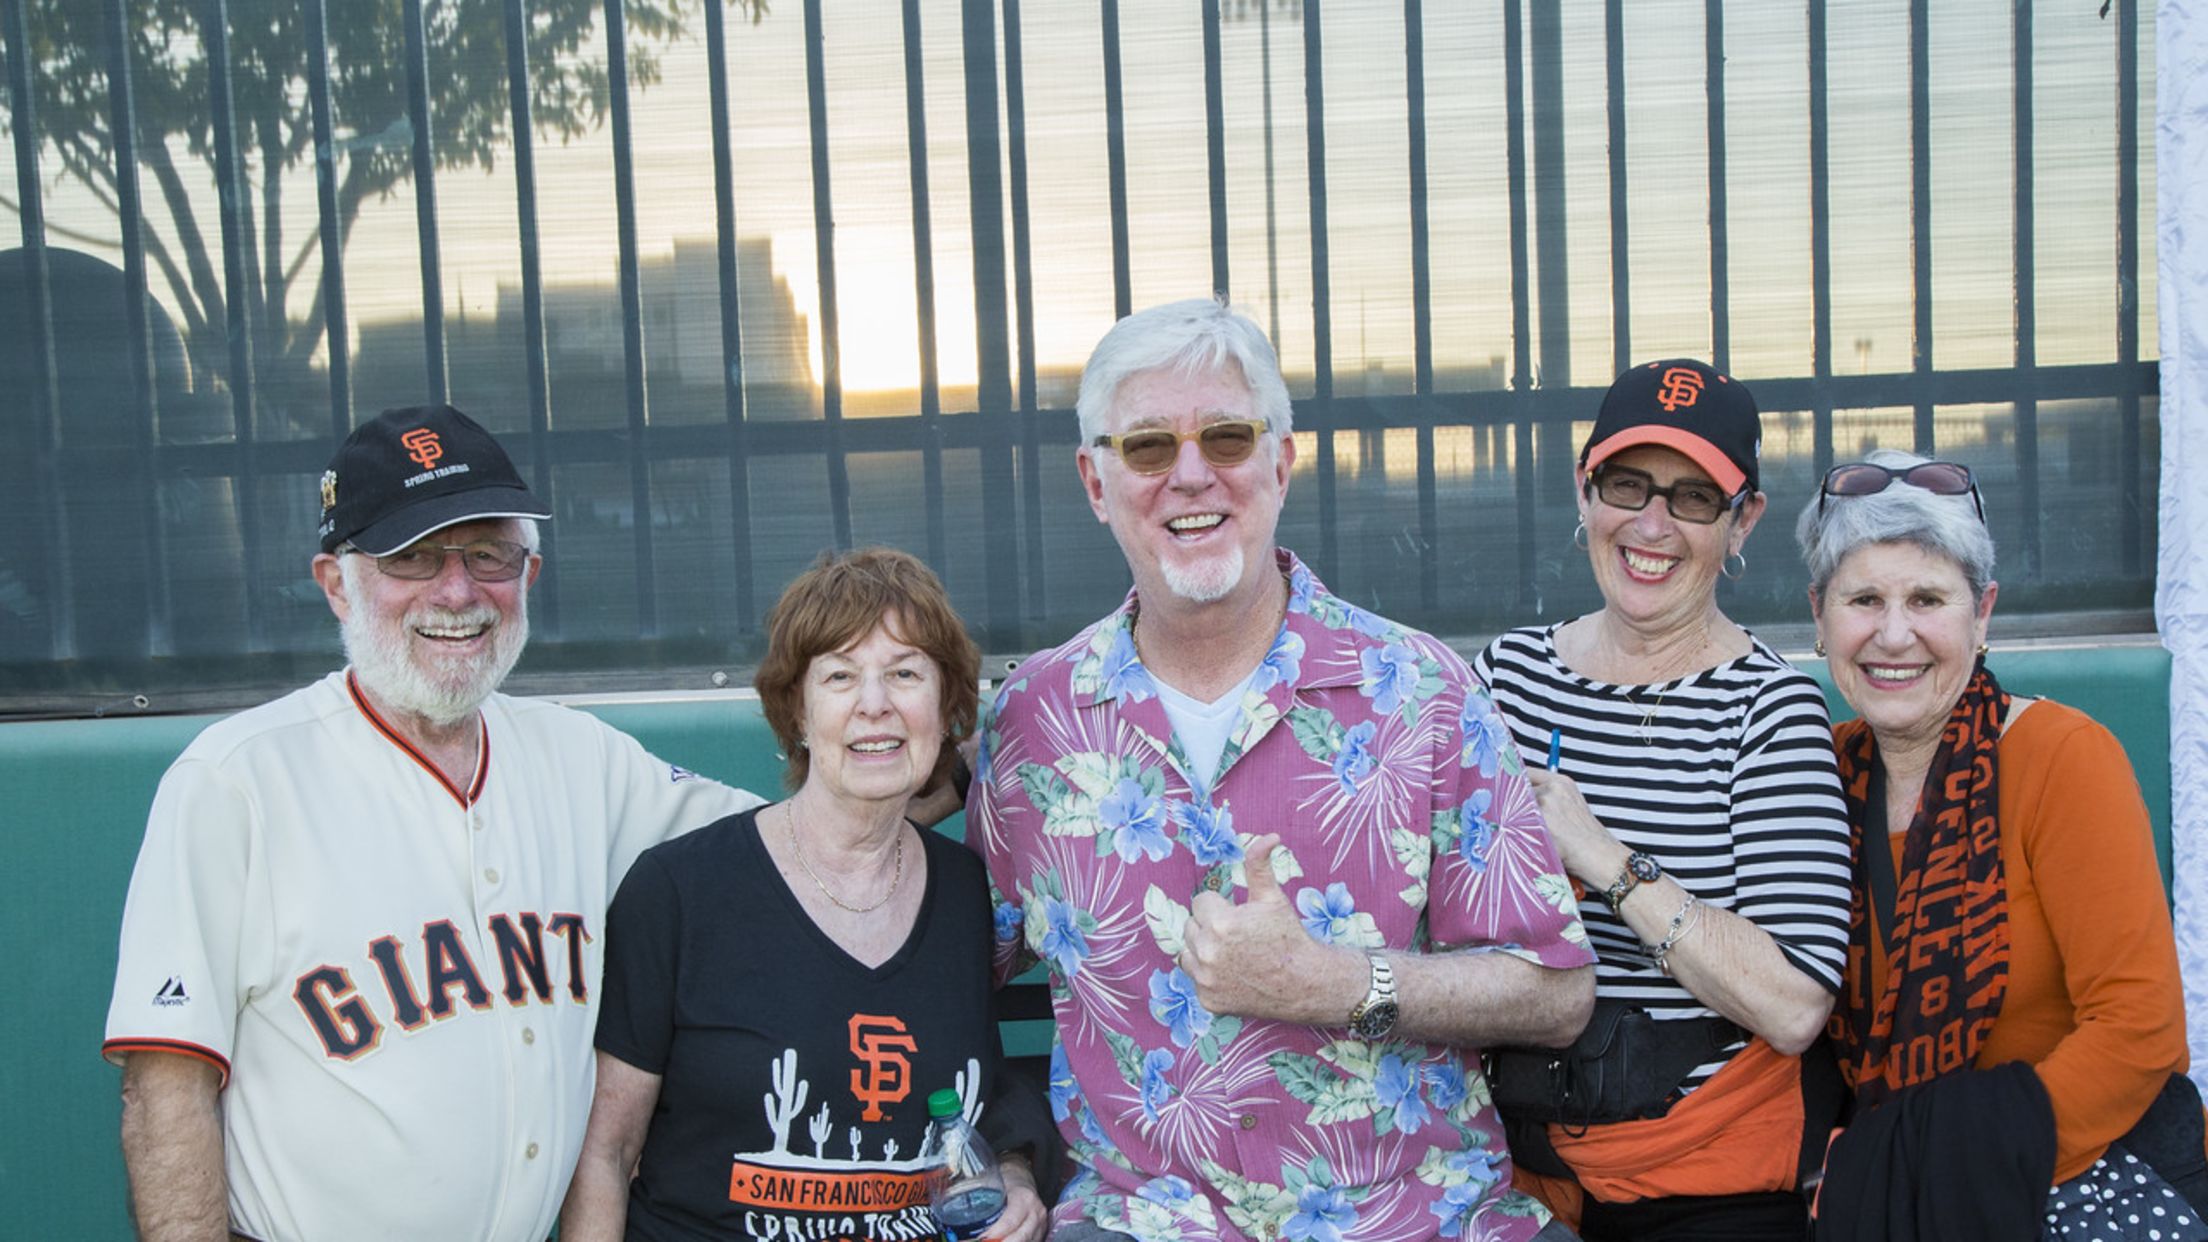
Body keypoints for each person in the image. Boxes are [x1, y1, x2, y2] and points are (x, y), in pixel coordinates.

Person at [102, 405, 833, 1242]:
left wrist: (923, 766)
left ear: (529, 573)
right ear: (336, 583)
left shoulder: (582, 759)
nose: (457, 590)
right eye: (412, 555)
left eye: (488, 553)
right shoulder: (236, 781)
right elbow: (164, 1085)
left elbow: (797, 838)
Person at [970, 297, 1596, 1242]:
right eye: (1146, 447)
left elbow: (1556, 992)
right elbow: (943, 975)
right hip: (1144, 1224)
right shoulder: (1033, 722)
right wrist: (1007, 1158)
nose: (1190, 476)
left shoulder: (1420, 691)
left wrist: (1340, 982)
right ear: (1096, 482)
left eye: (1226, 437)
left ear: (1281, 463)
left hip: (1418, 1219)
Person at [561, 547, 1048, 1242]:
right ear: (795, 710)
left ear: (946, 710)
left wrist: (1017, 1174)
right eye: (841, 676)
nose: (874, 705)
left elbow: (979, 1096)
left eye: (905, 674)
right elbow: (606, 1155)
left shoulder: (969, 893)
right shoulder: (679, 892)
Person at [1472, 360, 1853, 1239]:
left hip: (1702, 1175)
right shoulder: (1507, 676)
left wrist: (1598, 855)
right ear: (1584, 487)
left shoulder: (1768, 707)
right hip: (1507, 1154)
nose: (1652, 525)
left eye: (1693, 498)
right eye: (1627, 485)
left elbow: (1795, 1004)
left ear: (1743, 519)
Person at [1796, 449, 2207, 1241]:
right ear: (1819, 616)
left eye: (1927, 598)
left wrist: (1942, 1169)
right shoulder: (1816, 771)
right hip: (1882, 1191)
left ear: (1981, 614)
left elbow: (2140, 1030)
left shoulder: (2062, 757)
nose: (1893, 634)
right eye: (1864, 599)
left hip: (2073, 1180)